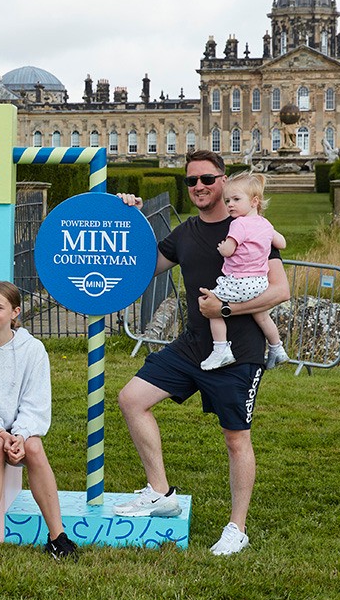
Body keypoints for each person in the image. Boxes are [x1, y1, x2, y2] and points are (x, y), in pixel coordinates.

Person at [114, 150, 289, 556]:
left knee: (235, 439)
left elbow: (281, 290)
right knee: (132, 399)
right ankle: (160, 491)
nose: (199, 187)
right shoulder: (186, 232)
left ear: (224, 181)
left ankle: (236, 527)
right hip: (192, 345)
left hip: (238, 352)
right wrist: (130, 220)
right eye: (191, 181)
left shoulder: (250, 225)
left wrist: (225, 309)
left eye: (208, 180)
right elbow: (140, 267)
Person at [0, 281, 78, 568]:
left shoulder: (33, 349)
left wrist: (19, 435)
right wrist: (1, 432)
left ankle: (57, 538)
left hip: (18, 431)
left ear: (15, 312)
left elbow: (36, 405)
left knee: (34, 447)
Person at [201, 171, 289, 371]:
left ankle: (221, 349)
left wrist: (222, 247)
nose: (230, 204)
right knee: (262, 316)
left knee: (212, 307)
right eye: (228, 200)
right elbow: (281, 243)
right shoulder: (265, 224)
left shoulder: (238, 224)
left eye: (236, 199)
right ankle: (277, 348)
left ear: (254, 201)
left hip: (238, 282)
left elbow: (228, 250)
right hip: (259, 284)